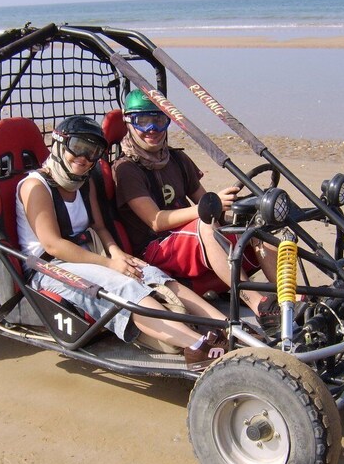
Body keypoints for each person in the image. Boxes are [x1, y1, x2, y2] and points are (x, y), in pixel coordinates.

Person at [16, 115, 228, 369]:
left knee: (151, 273)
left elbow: (99, 226)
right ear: (60, 143)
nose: (84, 159)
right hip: (47, 267)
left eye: (93, 152)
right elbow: (52, 245)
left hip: (88, 255)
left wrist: (117, 255)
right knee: (122, 286)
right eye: (79, 148)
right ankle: (197, 346)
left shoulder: (83, 182)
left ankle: (225, 327)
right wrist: (109, 264)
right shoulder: (35, 186)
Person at [112, 90, 281, 329]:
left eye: (159, 121)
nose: (152, 129)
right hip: (154, 248)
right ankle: (258, 305)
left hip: (188, 239)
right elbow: (156, 221)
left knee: (258, 223)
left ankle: (290, 299)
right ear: (129, 122)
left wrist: (242, 210)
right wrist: (206, 208)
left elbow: (207, 203)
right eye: (143, 121)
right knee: (207, 225)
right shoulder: (126, 169)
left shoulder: (177, 160)